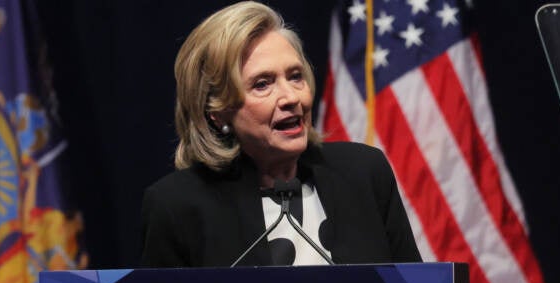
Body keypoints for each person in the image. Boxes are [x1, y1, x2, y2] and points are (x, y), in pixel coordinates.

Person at [140, 1, 421, 268]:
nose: (290, 97)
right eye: (263, 84)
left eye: (295, 76)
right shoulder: (177, 207)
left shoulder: (364, 174)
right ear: (218, 111)